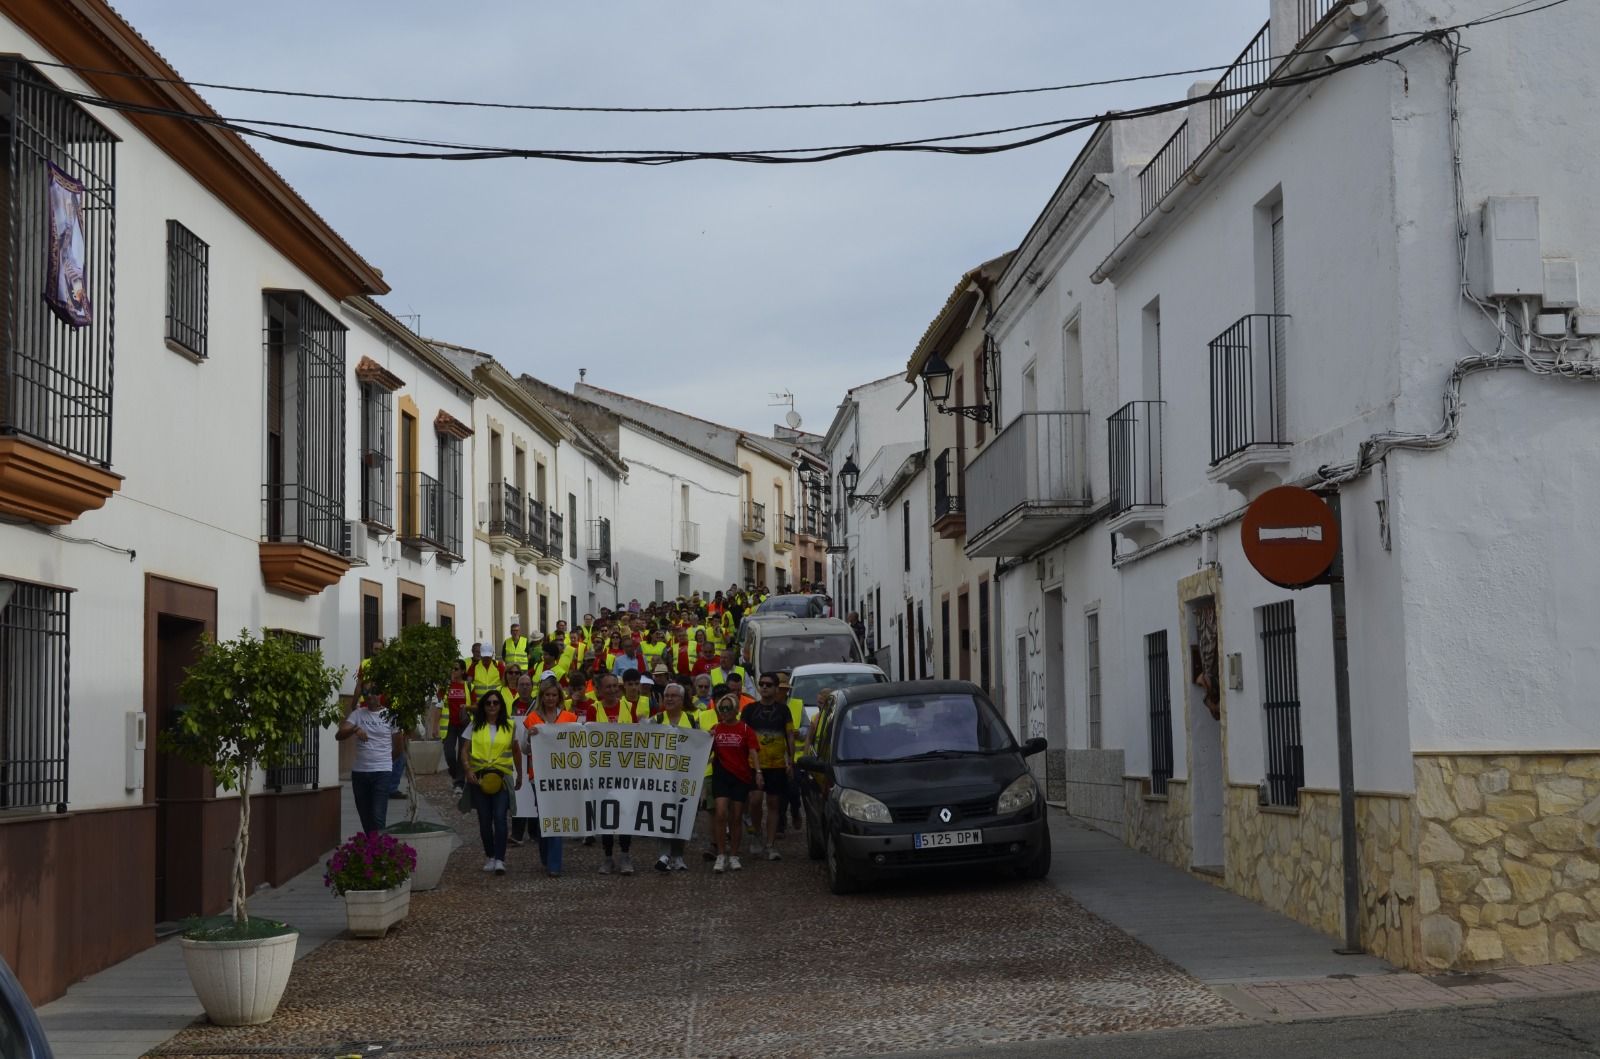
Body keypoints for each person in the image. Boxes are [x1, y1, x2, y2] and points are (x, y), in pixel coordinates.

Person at [460, 689, 522, 876]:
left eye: (496, 702)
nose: (492, 706)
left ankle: (500, 859)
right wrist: (468, 770)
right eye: (488, 703)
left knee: (500, 819)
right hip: (479, 779)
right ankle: (490, 855)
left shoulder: (510, 726)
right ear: (483, 706)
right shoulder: (474, 725)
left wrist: (519, 775)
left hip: (501, 778)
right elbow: (464, 750)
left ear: (501, 705)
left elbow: (516, 751)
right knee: (485, 820)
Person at [523, 680, 576, 877]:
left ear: (559, 697)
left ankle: (555, 863)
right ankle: (546, 854)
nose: (551, 699)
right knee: (543, 816)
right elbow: (524, 749)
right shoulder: (532, 718)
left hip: (562, 776)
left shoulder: (570, 718)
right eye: (547, 695)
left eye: (554, 695)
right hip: (538, 776)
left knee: (556, 816)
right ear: (542, 697)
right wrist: (529, 737)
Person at [742, 674, 795, 860]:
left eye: (769, 685)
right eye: (762, 684)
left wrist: (791, 760)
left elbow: (789, 735)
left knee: (773, 803)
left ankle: (771, 844)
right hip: (753, 763)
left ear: (775, 688)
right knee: (755, 801)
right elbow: (743, 736)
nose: (764, 687)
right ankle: (756, 834)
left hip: (777, 764)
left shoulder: (783, 710)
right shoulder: (749, 710)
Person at [336, 683, 400, 833]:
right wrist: (354, 729)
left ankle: (379, 851)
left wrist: (384, 763)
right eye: (366, 693)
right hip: (360, 773)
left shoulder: (391, 716)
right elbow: (339, 735)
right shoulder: (358, 714)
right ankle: (372, 850)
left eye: (373, 692)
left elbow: (398, 748)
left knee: (378, 816)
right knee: (365, 816)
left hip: (381, 772)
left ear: (380, 695)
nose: (369, 696)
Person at [709, 694, 761, 873]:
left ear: (735, 709)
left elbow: (753, 752)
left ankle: (734, 854)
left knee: (737, 816)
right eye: (721, 709)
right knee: (721, 812)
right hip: (721, 775)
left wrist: (759, 772)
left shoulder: (745, 729)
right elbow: (704, 750)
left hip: (741, 776)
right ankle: (721, 854)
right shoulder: (715, 729)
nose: (724, 712)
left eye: (727, 708)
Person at [591, 672, 636, 873]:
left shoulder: (628, 707)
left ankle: (625, 856)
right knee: (606, 814)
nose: (611, 690)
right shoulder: (594, 710)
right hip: (601, 771)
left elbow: (638, 737)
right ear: (599, 690)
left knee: (625, 813)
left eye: (614, 686)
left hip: (625, 770)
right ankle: (608, 857)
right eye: (607, 687)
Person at [652, 684, 695, 872]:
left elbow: (699, 744)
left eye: (673, 696)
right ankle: (665, 853)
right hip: (661, 777)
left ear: (682, 700)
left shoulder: (692, 720)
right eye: (666, 696)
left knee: (682, 815)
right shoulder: (657, 720)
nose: (669, 699)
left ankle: (678, 855)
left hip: (684, 775)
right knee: (663, 814)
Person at [507, 674, 537, 846]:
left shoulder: (537, 705)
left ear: (532, 687)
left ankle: (534, 832)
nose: (525, 687)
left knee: (532, 792)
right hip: (518, 754)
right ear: (517, 687)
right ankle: (517, 833)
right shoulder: (514, 705)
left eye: (528, 684)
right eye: (522, 684)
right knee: (519, 792)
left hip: (533, 754)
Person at [441, 660, 470, 791]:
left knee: (462, 753)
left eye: (456, 669)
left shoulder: (469, 687)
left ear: (463, 671)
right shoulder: (447, 686)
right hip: (450, 724)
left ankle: (459, 782)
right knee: (449, 752)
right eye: (452, 668)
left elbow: (476, 705)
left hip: (464, 724)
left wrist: (467, 707)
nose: (453, 671)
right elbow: (438, 702)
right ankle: (454, 773)